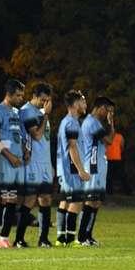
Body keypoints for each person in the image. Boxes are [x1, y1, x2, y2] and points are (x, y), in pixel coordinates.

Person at [0, 79, 26, 249]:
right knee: (3, 199)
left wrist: (25, 150)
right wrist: (10, 156)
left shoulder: (16, 113)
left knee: (12, 199)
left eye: (22, 95)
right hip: (2, 161)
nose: (21, 98)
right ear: (9, 94)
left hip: (16, 161)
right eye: (18, 95)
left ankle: (2, 238)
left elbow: (18, 135)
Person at [15, 82, 54, 248]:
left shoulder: (40, 112)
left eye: (47, 100)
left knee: (46, 199)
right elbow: (37, 135)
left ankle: (43, 239)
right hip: (32, 163)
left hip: (44, 163)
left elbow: (45, 140)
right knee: (30, 199)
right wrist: (46, 115)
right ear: (35, 96)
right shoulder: (26, 111)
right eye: (42, 100)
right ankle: (19, 239)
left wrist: (49, 163)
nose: (44, 103)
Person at [78, 97, 116, 246]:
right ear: (101, 108)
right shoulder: (92, 122)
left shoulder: (96, 123)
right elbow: (110, 140)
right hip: (93, 165)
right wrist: (111, 122)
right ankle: (81, 237)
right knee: (90, 200)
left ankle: (88, 235)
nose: (108, 114)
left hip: (99, 165)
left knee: (96, 201)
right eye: (108, 110)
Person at [55, 90, 90, 246]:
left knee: (65, 201)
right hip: (71, 168)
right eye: (83, 101)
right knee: (76, 201)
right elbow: (72, 147)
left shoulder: (66, 121)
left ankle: (61, 238)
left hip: (65, 168)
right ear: (76, 104)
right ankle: (70, 239)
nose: (85, 104)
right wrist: (81, 170)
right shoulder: (71, 123)